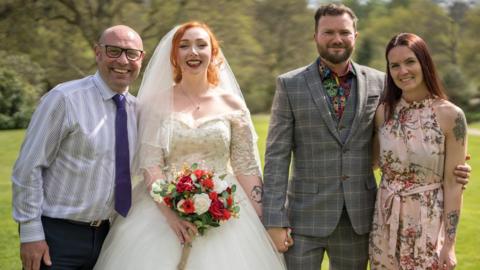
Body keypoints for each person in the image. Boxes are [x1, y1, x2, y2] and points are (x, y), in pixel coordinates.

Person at [261, 4, 471, 270]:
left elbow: (405, 139)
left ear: (355, 36)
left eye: (344, 32)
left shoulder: (382, 82)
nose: (337, 39)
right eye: (328, 32)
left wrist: (453, 169)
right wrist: (274, 219)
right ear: (315, 36)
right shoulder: (290, 84)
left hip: (360, 218)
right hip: (304, 218)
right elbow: (276, 157)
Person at [93, 21, 286, 270]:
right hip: (160, 212)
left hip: (226, 211)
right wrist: (171, 215)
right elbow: (151, 166)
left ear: (213, 54)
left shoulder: (233, 105)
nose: (193, 52)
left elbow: (246, 166)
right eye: (184, 46)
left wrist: (265, 221)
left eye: (201, 45)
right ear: (175, 56)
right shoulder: (155, 103)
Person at [11, 25, 144, 270]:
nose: (123, 60)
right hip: (57, 238)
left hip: (110, 238)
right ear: (98, 53)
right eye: (114, 51)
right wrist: (31, 233)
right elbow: (28, 168)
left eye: (131, 53)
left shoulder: (139, 112)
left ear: (141, 59)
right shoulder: (64, 99)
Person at [369, 33, 467, 270]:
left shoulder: (451, 116)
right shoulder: (383, 113)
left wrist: (449, 245)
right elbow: (371, 162)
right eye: (395, 65)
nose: (403, 71)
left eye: (410, 61)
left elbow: (453, 184)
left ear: (424, 62)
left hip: (428, 224)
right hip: (385, 221)